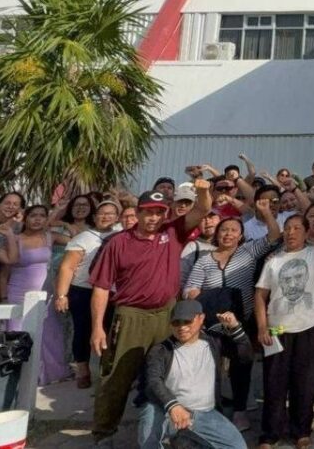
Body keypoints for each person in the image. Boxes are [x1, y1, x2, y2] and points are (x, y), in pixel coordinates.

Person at [89, 183, 213, 444]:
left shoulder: (173, 232)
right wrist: (98, 327)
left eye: (159, 212)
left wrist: (202, 189)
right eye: (148, 212)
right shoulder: (119, 242)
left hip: (167, 315)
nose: (153, 218)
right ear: (138, 213)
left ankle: (167, 429)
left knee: (168, 375)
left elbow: (203, 209)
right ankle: (104, 434)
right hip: (130, 316)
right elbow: (101, 288)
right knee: (117, 377)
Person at [183, 201, 282, 431]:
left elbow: (274, 235)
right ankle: (211, 409)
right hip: (212, 324)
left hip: (242, 321)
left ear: (241, 235)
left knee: (242, 364)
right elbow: (189, 288)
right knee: (211, 367)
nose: (228, 234)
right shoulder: (205, 260)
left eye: (233, 231)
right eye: (224, 230)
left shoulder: (248, 251)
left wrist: (266, 212)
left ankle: (239, 410)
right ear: (217, 234)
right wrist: (193, 293)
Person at [254, 209, 314, 448]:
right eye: (288, 228)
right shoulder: (273, 261)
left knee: (305, 384)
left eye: (297, 228)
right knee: (274, 384)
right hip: (277, 330)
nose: (291, 232)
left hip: (310, 328)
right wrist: (262, 326)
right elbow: (260, 295)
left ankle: (301, 431)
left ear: (307, 233)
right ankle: (270, 433)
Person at [139, 301, 251, 449]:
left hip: (204, 414)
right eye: (176, 323)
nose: (182, 327)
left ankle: (183, 440)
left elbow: (245, 356)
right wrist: (173, 406)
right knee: (149, 420)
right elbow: (153, 381)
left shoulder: (214, 341)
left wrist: (235, 328)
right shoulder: (161, 350)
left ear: (201, 318)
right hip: (168, 412)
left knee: (238, 447)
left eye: (187, 321)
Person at [54, 200, 123, 389]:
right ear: (94, 217)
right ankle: (83, 369)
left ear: (118, 218)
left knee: (110, 331)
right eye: (102, 213)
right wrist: (62, 295)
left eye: (111, 213)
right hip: (82, 290)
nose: (106, 216)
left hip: (111, 291)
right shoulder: (83, 238)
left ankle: (105, 370)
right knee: (82, 330)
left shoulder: (122, 236)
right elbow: (67, 267)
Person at [5, 204, 71, 384]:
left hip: (44, 293)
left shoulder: (51, 237)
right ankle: (16, 375)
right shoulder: (15, 238)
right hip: (18, 292)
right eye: (33, 215)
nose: (37, 219)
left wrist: (63, 223)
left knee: (47, 333)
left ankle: (46, 374)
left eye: (42, 216)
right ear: (25, 218)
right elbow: (5, 271)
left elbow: (77, 240)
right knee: (18, 331)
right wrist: (3, 296)